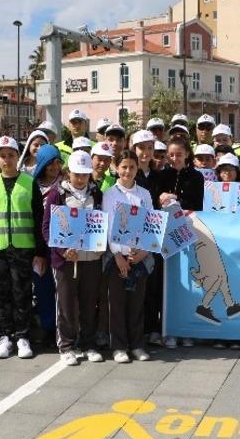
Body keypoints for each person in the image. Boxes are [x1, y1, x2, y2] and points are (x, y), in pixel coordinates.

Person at [0, 136, 47, 360]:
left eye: (11, 155)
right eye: (2, 156)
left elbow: (38, 219)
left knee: (23, 293)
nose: (6, 160)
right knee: (0, 295)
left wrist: (40, 252)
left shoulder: (29, 183)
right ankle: (5, 337)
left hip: (23, 249)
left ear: (18, 157)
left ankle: (22, 336)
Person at [42, 151, 105, 366]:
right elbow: (47, 228)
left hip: (91, 259)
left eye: (85, 174)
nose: (80, 179)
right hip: (66, 260)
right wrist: (62, 251)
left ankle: (88, 343)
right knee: (66, 304)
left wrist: (101, 245)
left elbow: (103, 224)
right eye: (77, 174)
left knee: (89, 303)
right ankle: (67, 345)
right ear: (68, 172)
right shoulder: (56, 194)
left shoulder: (97, 194)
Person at [102, 151, 153, 363]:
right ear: (116, 168)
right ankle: (119, 346)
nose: (127, 171)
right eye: (123, 166)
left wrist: (145, 251)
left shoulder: (144, 194)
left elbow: (151, 224)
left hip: (139, 257)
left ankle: (137, 345)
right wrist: (117, 255)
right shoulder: (110, 194)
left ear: (137, 169)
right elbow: (107, 226)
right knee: (117, 303)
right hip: (118, 258)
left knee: (136, 303)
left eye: (132, 167)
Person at [157, 137, 204, 348]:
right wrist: (161, 198)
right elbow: (154, 201)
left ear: (187, 154)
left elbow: (198, 204)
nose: (175, 158)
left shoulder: (196, 176)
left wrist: (177, 201)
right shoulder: (162, 175)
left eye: (179, 154)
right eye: (171, 154)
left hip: (188, 233)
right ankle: (168, 329)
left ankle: (186, 328)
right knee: (167, 284)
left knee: (188, 282)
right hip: (166, 235)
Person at [32, 144, 64, 345]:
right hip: (41, 247)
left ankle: (64, 328)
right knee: (43, 288)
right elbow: (34, 219)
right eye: (49, 162)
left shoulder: (67, 184)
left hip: (62, 246)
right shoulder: (33, 185)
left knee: (63, 290)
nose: (53, 166)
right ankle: (47, 327)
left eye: (57, 161)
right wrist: (38, 251)